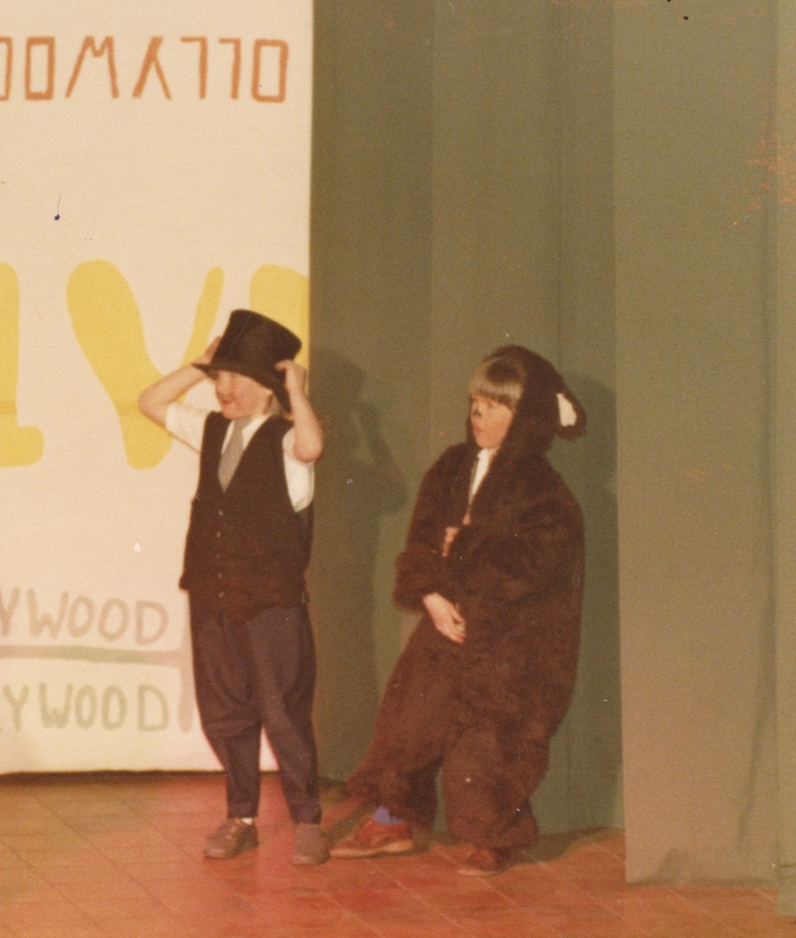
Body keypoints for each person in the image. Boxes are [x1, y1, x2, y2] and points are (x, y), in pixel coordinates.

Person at [331, 345, 586, 876]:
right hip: (445, 617)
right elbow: (424, 541)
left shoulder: (543, 487)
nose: (478, 415)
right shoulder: (451, 467)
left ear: (523, 418)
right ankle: (393, 818)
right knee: (410, 720)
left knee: (491, 736)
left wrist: (466, 546)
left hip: (508, 636)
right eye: (475, 403)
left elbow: (540, 562)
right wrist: (432, 596)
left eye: (493, 407)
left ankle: (493, 834)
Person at [138, 309, 328, 867]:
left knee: (283, 712)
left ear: (268, 388)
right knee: (225, 710)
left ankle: (307, 820)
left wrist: (297, 393)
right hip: (212, 593)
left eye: (236, 377)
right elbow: (150, 401)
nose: (223, 387)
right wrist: (199, 365)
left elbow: (312, 447)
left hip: (270, 602)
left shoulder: (288, 439)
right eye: (219, 376)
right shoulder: (212, 428)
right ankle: (240, 816)